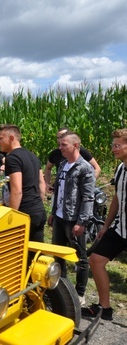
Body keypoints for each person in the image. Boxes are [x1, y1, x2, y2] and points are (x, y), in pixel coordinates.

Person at [82, 129, 127, 321]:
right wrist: (106, 225)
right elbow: (117, 198)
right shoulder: (120, 169)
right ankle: (105, 308)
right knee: (96, 260)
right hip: (121, 228)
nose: (113, 149)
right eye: (113, 145)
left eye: (117, 145)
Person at [48, 131, 95, 307]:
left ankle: (80, 293)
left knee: (80, 257)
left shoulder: (84, 168)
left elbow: (88, 197)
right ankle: (60, 291)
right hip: (60, 217)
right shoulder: (62, 165)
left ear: (75, 145)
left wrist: (81, 222)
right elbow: (59, 191)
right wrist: (53, 212)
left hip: (73, 220)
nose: (60, 147)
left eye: (64, 145)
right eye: (60, 144)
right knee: (58, 255)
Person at [0, 124, 46, 242]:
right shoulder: (32, 156)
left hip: (25, 213)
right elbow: (42, 185)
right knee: (35, 253)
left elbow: (17, 191)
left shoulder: (12, 158)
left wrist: (12, 216)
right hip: (39, 211)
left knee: (16, 253)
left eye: (1, 138)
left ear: (11, 138)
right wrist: (38, 205)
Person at [44, 127, 101, 193]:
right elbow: (48, 168)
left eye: (62, 136)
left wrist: (87, 184)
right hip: (60, 191)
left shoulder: (82, 152)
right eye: (58, 137)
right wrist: (47, 183)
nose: (60, 139)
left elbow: (97, 168)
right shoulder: (55, 153)